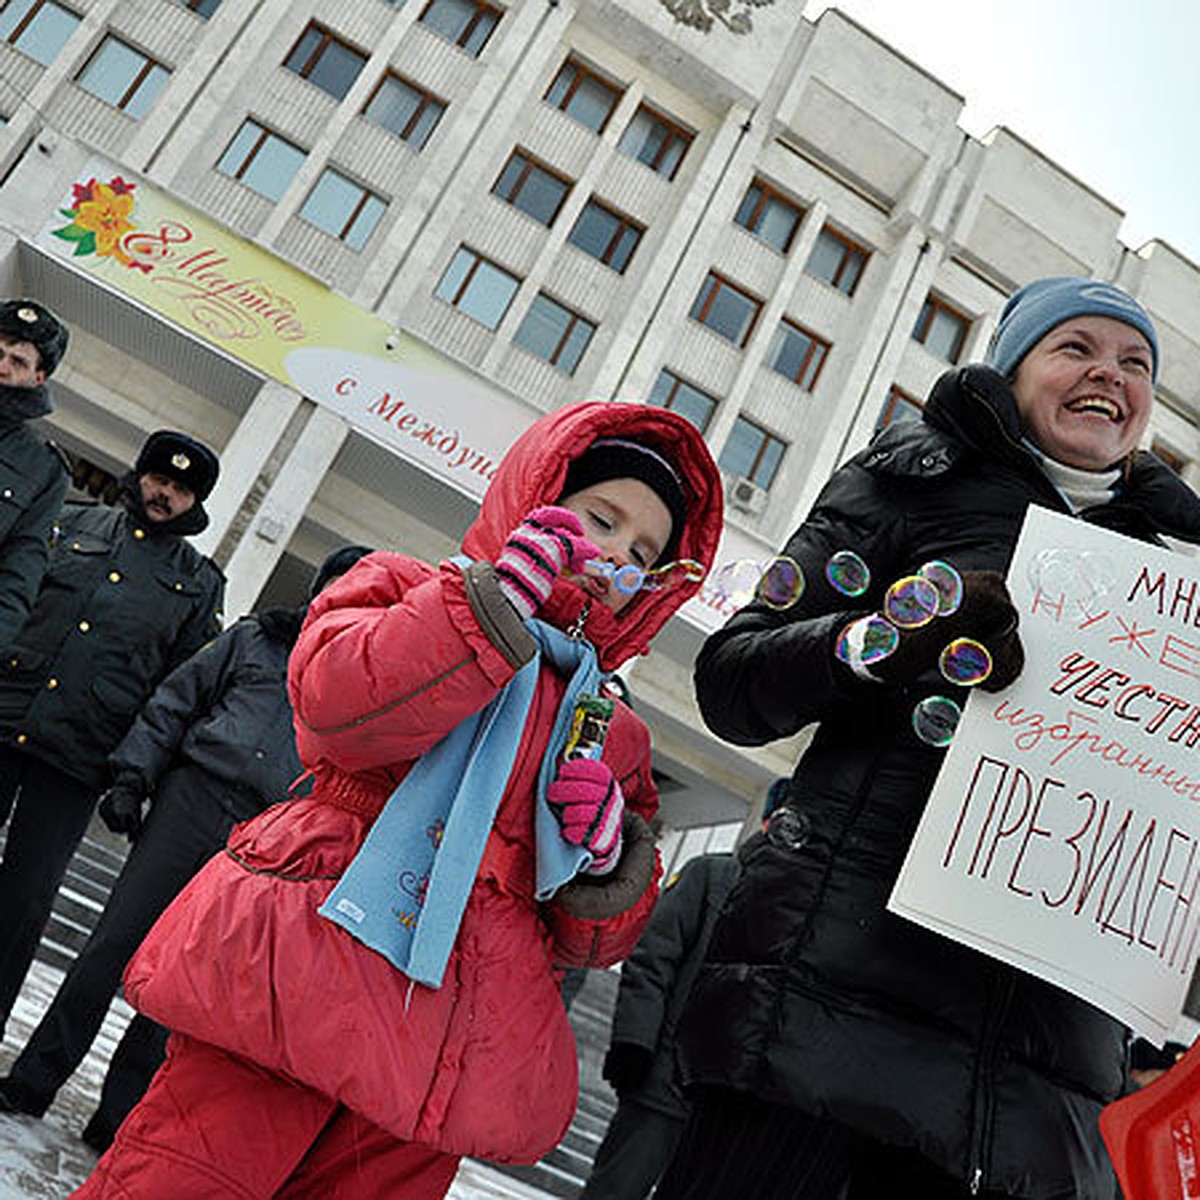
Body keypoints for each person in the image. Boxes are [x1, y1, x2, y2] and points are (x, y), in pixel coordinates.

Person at [72, 399, 723, 1199]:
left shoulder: (610, 727)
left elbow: (593, 943)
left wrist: (606, 857)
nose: (614, 553)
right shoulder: (408, 587)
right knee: (183, 1182)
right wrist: (487, 611)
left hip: (449, 1044)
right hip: (299, 976)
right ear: (540, 496)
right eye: (602, 517)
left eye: (643, 550)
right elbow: (336, 708)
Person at [661, 277, 1200, 1200]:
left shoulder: (1178, 583)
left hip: (1027, 1099)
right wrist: (887, 642)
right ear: (1014, 364)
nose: (1108, 373)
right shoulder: (908, 479)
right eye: (1076, 347)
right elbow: (735, 683)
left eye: (1135, 363)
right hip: (819, 1032)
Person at [0, 545, 372, 1149]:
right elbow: (175, 701)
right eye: (334, 583)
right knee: (110, 950)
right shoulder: (256, 640)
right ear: (317, 588)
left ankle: (117, 1121)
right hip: (189, 803)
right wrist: (132, 777)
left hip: (260, 841)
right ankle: (32, 1081)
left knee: (181, 981)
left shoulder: (360, 687)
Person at [0, 429, 225, 1045]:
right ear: (139, 475)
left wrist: (136, 775)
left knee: (22, 905)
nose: (163, 494)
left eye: (179, 489)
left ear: (194, 502)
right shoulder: (72, 522)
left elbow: (176, 690)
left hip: (79, 755)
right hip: (7, 713)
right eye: (158, 479)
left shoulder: (199, 585)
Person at [580, 777, 790, 1200]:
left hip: (730, 1115)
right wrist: (634, 1044)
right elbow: (652, 960)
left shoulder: (804, 920)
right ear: (767, 821)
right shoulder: (711, 875)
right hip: (663, 1086)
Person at [0, 299, 72, 648]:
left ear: (38, 377)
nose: (2, 367)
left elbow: (19, 570)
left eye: (18, 362)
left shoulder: (44, 469)